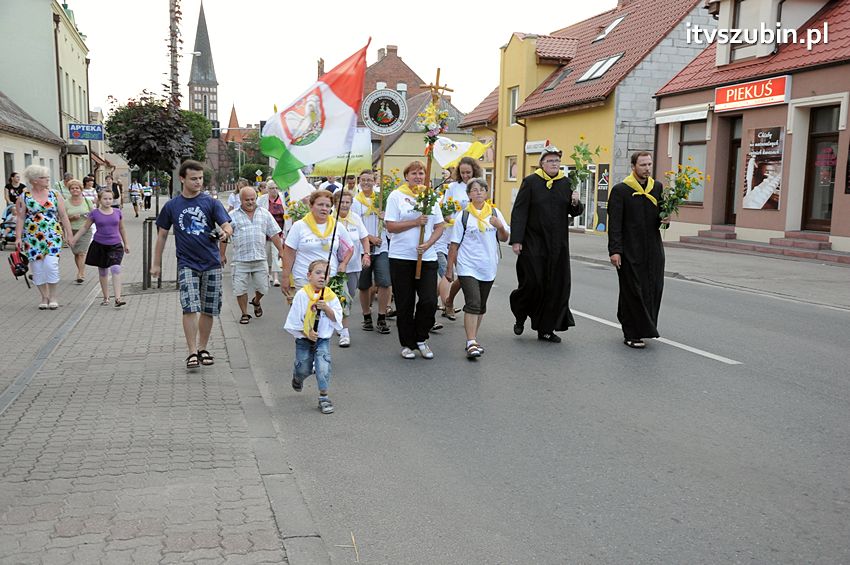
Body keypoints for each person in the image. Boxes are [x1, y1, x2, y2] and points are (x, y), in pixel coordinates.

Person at [151, 159, 232, 369]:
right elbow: (161, 236)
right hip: (187, 263)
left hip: (211, 262)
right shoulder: (172, 206)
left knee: (208, 309)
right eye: (194, 179)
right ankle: (192, 352)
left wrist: (224, 232)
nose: (198, 182)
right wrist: (156, 264)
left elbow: (226, 224)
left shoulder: (211, 203)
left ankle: (203, 348)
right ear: (182, 179)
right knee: (189, 307)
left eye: (201, 178)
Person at [509, 145, 584, 343]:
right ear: (542, 163)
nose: (554, 164)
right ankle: (521, 313)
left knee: (554, 286)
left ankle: (546, 329)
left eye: (557, 161)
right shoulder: (531, 182)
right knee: (533, 283)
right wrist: (517, 240)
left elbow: (574, 212)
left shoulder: (566, 183)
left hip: (557, 244)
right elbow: (519, 211)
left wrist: (576, 203)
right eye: (550, 160)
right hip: (533, 242)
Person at [384, 160, 445, 359]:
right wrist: (415, 222)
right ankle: (407, 343)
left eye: (421, 173)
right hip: (401, 257)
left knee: (428, 300)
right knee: (405, 303)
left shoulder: (430, 196)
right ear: (406, 176)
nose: (417, 177)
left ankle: (421, 338)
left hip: (426, 257)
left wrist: (428, 244)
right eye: (414, 173)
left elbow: (439, 226)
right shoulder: (396, 196)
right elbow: (390, 226)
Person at [445, 178, 509, 359]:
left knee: (481, 305)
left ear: (487, 193)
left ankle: (474, 338)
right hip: (467, 266)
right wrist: (450, 269)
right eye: (474, 190)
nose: (478, 192)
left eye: (482, 189)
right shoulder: (463, 216)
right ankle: (471, 341)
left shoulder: (495, 213)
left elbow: (504, 238)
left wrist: (500, 226)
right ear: (469, 195)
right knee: (473, 302)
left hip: (488, 265)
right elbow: (454, 245)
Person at [608, 151, 666, 349]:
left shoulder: (657, 188)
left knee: (653, 289)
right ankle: (631, 333)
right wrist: (615, 250)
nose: (647, 168)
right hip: (629, 250)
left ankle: (645, 327)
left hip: (653, 250)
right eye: (643, 165)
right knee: (633, 291)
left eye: (649, 164)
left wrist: (666, 220)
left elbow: (661, 221)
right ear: (633, 166)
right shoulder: (621, 190)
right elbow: (615, 224)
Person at [284, 259, 343, 415]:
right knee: (304, 367)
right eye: (318, 273)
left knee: (323, 366)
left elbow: (337, 318)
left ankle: (324, 397)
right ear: (309, 275)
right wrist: (307, 332)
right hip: (304, 340)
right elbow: (295, 320)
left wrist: (327, 308)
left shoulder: (330, 297)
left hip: (322, 339)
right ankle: (298, 378)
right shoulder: (302, 295)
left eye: (326, 274)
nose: (322, 277)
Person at [220, 186, 284, 325]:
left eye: (252, 199)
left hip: (260, 258)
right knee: (239, 289)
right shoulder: (232, 216)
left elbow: (273, 233)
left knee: (263, 287)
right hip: (240, 260)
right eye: (246, 200)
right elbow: (224, 236)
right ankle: (244, 313)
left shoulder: (264, 213)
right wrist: (222, 255)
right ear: (240, 200)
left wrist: (281, 250)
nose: (250, 202)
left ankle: (256, 301)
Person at [14, 165, 74, 310]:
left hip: (53, 235)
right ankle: (44, 297)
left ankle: (53, 296)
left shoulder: (55, 194)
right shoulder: (23, 197)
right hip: (32, 237)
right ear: (34, 180)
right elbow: (21, 218)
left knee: (50, 265)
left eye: (47, 177)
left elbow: (63, 215)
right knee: (37, 269)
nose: (47, 179)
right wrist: (18, 237)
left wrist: (69, 234)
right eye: (43, 177)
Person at [281, 190, 354, 292]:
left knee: (336, 307)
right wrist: (285, 277)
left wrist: (344, 264)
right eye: (320, 205)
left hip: (331, 277)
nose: (324, 208)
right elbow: (289, 252)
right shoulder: (299, 226)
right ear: (311, 206)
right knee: (308, 308)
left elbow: (350, 248)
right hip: (304, 277)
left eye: (328, 206)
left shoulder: (337, 226)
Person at [435, 157, 478, 321]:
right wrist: (450, 220)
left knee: (465, 273)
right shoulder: (453, 187)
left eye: (468, 172)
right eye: (462, 172)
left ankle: (445, 300)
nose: (466, 175)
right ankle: (447, 305)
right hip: (448, 236)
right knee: (448, 272)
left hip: (467, 239)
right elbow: (444, 211)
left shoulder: (477, 187)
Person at [70, 190, 130, 307]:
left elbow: (122, 228)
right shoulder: (95, 213)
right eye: (105, 199)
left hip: (115, 245)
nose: (108, 201)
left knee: (116, 268)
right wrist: (74, 239)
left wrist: (126, 243)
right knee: (103, 271)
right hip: (100, 244)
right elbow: (85, 227)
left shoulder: (117, 212)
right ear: (99, 200)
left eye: (110, 199)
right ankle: (106, 297)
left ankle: (118, 298)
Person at [351, 170, 392, 335]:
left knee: (385, 282)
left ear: (375, 182)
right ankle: (366, 316)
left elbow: (391, 223)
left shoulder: (382, 199)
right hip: (363, 249)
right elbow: (353, 224)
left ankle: (381, 317)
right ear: (359, 182)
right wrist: (369, 238)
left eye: (369, 180)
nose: (366, 183)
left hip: (381, 248)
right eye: (363, 180)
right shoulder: (355, 202)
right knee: (364, 285)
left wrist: (385, 217)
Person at [333, 189, 371, 347]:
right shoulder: (330, 219)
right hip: (336, 267)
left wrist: (366, 254)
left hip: (354, 265)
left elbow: (364, 238)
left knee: (350, 295)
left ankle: (338, 319)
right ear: (335, 203)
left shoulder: (355, 218)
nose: (345, 205)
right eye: (341, 202)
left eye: (348, 202)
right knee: (342, 298)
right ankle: (343, 329)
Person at [256, 180, 287, 287]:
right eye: (271, 188)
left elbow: (287, 214)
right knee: (265, 254)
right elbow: (257, 213)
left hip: (278, 231)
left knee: (276, 254)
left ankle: (275, 277)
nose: (274, 190)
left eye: (276, 188)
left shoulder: (283, 199)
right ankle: (267, 274)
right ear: (267, 189)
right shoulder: (261, 199)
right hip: (265, 231)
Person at [64, 178, 95, 283]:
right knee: (76, 253)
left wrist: (89, 217)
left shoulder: (87, 201)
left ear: (81, 189)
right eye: (72, 188)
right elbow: (61, 219)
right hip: (71, 230)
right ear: (69, 190)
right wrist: (72, 218)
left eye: (77, 188)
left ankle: (81, 274)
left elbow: (94, 214)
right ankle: (80, 271)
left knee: (82, 253)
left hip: (85, 230)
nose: (75, 190)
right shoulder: (65, 203)